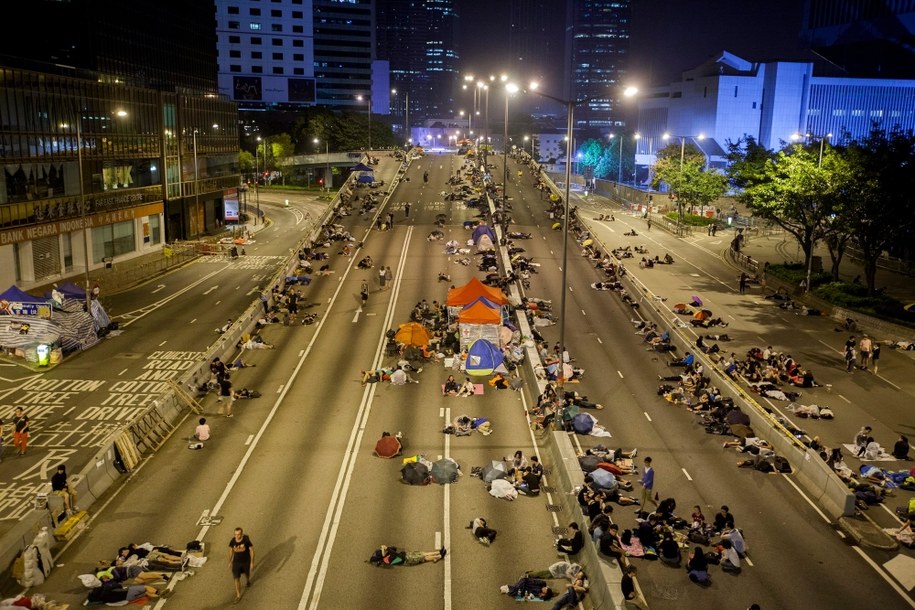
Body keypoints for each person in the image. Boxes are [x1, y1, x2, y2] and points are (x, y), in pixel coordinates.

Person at [228, 527, 254, 604]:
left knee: (247, 574)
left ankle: (247, 580)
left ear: (241, 534)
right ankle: (238, 595)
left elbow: (252, 551)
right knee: (236, 578)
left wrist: (252, 562)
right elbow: (230, 550)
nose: (237, 536)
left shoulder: (246, 541)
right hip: (236, 563)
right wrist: (230, 561)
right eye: (235, 534)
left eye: (238, 534)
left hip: (246, 561)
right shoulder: (232, 541)